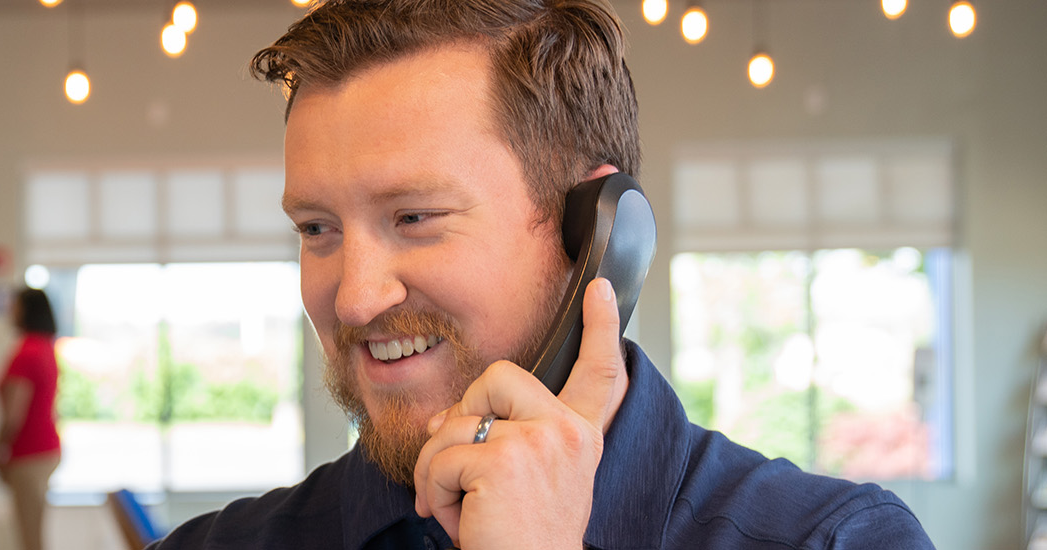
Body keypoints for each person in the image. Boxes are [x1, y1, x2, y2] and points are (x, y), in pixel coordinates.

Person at [149, 1, 934, 549]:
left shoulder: (833, 540)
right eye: (317, 229)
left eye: (414, 217)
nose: (353, 296)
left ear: (600, 239)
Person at [0, 288, 63, 550]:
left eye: (15, 305)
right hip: (45, 450)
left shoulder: (27, 352)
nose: (10, 310)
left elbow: (14, 413)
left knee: (30, 539)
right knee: (34, 534)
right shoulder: (46, 347)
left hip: (29, 453)